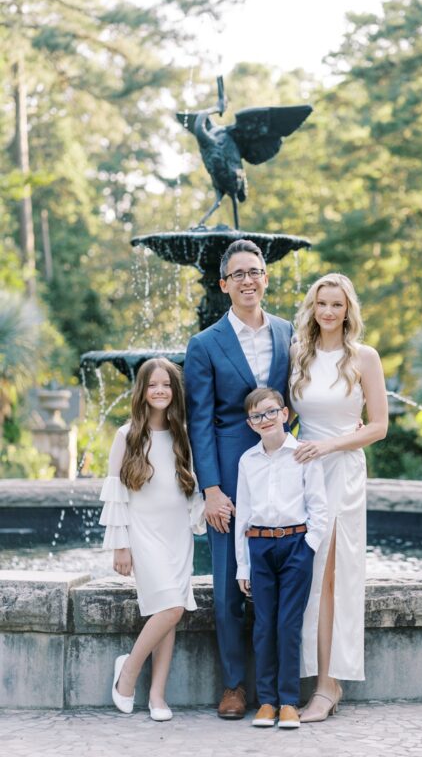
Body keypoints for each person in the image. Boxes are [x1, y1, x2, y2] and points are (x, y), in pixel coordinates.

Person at [184, 239, 294, 718]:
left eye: (256, 271)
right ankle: (233, 685)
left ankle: (279, 685)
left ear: (266, 278)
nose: (249, 280)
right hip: (228, 473)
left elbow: (301, 396)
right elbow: (199, 420)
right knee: (229, 582)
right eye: (239, 274)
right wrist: (211, 489)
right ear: (224, 283)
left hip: (284, 470)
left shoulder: (290, 333)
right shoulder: (205, 344)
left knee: (281, 576)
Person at [287, 273, 388, 722]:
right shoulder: (298, 354)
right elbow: (285, 413)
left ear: (349, 310)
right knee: (307, 574)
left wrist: (329, 446)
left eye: (337, 305)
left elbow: (379, 426)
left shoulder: (364, 358)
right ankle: (307, 677)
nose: (329, 312)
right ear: (312, 307)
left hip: (342, 471)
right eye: (322, 304)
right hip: (302, 473)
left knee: (332, 575)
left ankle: (328, 687)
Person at [101, 357, 205, 721]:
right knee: (171, 607)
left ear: (175, 391)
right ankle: (128, 672)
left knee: (170, 609)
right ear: (142, 391)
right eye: (152, 385)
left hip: (177, 535)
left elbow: (191, 490)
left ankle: (157, 695)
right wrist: (121, 545)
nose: (160, 390)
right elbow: (115, 494)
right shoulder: (126, 435)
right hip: (144, 534)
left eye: (167, 385)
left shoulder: (184, 434)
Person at [235, 387, 329, 729]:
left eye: (271, 412)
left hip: (295, 546)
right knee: (263, 626)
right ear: (250, 423)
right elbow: (243, 515)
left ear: (285, 414)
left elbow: (319, 506)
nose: (266, 419)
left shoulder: (303, 454)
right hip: (259, 547)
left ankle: (289, 701)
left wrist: (308, 547)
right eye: (257, 416)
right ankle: (267, 702)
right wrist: (242, 565)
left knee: (289, 625)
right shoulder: (247, 461)